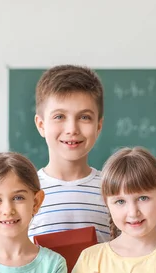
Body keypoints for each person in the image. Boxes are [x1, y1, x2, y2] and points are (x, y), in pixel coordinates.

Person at [28, 65, 110, 242]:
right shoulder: (24, 193)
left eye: (84, 117)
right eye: (59, 116)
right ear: (41, 125)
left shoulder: (114, 191)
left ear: (98, 126)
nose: (72, 129)